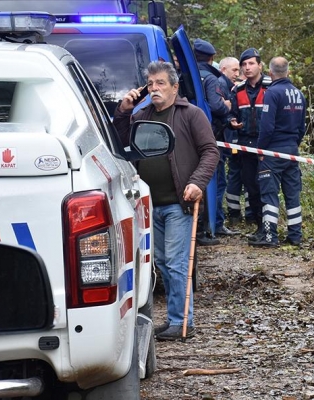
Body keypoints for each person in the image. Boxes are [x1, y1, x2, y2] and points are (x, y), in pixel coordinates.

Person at [114, 61, 219, 340]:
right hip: (147, 204)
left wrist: (197, 182)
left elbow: (210, 151)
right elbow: (122, 143)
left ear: (174, 86)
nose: (154, 88)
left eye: (160, 83)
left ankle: (182, 321)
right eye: (150, 84)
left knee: (175, 261)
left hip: (178, 203)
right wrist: (123, 111)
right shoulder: (141, 115)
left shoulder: (191, 114)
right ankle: (175, 319)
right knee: (160, 261)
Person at [249, 57, 307, 247]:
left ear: (271, 73)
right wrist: (293, 145)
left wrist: (261, 149)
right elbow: (301, 127)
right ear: (288, 72)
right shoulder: (299, 94)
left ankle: (270, 237)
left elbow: (266, 126)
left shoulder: (272, 93)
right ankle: (295, 236)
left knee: (269, 195)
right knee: (292, 194)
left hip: (273, 151)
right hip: (292, 151)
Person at [194, 39, 239, 238]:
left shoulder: (189, 75)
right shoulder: (212, 79)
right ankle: (215, 224)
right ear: (212, 59)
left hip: (193, 137)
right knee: (217, 182)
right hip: (212, 138)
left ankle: (205, 224)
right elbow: (216, 106)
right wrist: (227, 106)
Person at [229, 48, 271, 243]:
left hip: (267, 145)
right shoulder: (238, 91)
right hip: (246, 145)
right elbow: (232, 113)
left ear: (260, 65)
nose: (247, 68)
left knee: (267, 188)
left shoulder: (272, 87)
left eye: (251, 63)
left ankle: (269, 228)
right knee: (251, 187)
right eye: (244, 64)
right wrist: (232, 121)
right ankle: (260, 226)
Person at [220, 56, 254, 227]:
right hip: (234, 141)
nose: (237, 73)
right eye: (235, 70)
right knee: (235, 176)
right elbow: (230, 113)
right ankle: (234, 214)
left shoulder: (238, 89)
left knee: (248, 177)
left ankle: (248, 214)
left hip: (245, 142)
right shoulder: (232, 89)